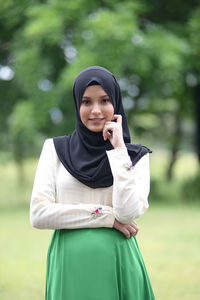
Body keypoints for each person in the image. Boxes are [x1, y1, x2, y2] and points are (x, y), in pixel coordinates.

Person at [30, 66, 155, 300]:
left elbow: (127, 214)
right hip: (69, 265)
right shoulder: (55, 150)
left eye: (105, 100)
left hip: (118, 262)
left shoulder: (136, 157)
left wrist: (119, 151)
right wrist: (106, 217)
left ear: (116, 103)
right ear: (77, 105)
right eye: (86, 102)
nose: (96, 110)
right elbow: (39, 214)